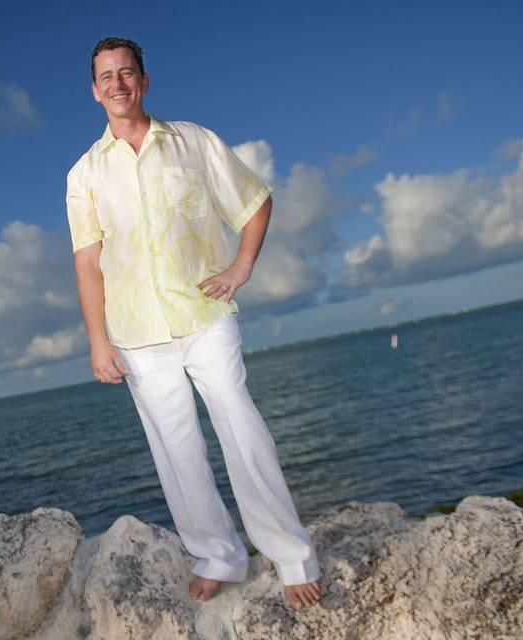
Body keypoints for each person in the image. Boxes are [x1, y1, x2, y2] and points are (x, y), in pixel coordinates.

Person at [66, 36, 322, 610]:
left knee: (240, 423)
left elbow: (255, 201)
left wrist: (241, 266)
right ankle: (219, 555)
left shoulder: (193, 141)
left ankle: (291, 554)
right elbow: (87, 261)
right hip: (135, 334)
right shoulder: (83, 175)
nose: (118, 84)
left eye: (126, 73)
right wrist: (97, 341)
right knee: (176, 451)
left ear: (144, 81)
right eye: (106, 76)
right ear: (94, 91)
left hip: (205, 315)